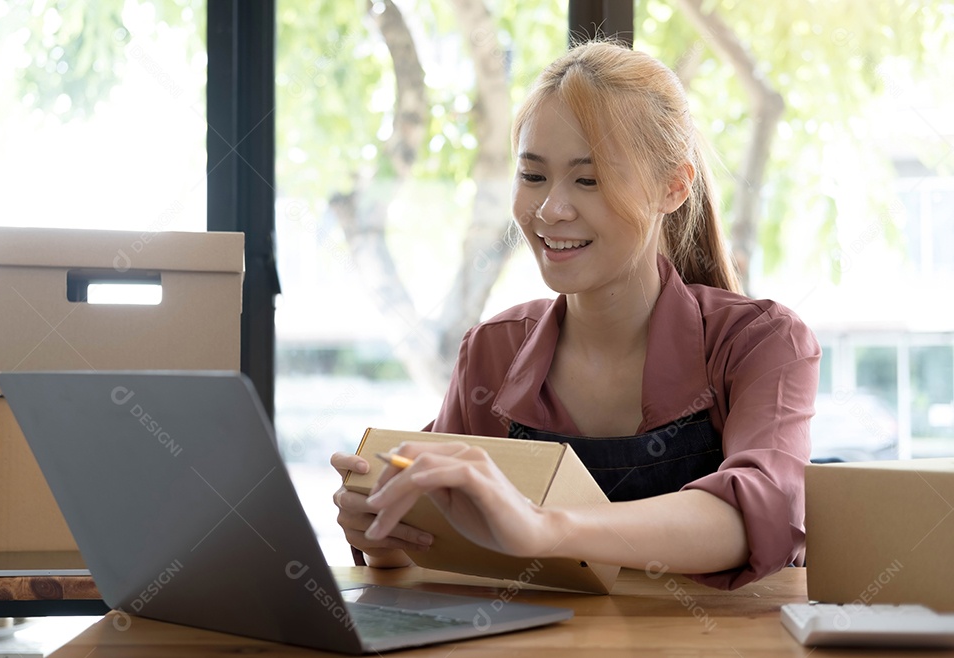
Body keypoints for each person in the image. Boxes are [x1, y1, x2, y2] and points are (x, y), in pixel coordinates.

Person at [330, 39, 820, 590]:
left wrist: (543, 528)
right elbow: (429, 531)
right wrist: (383, 531)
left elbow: (758, 514)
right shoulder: (492, 353)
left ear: (674, 186)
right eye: (533, 176)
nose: (550, 210)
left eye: (588, 180)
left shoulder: (759, 342)